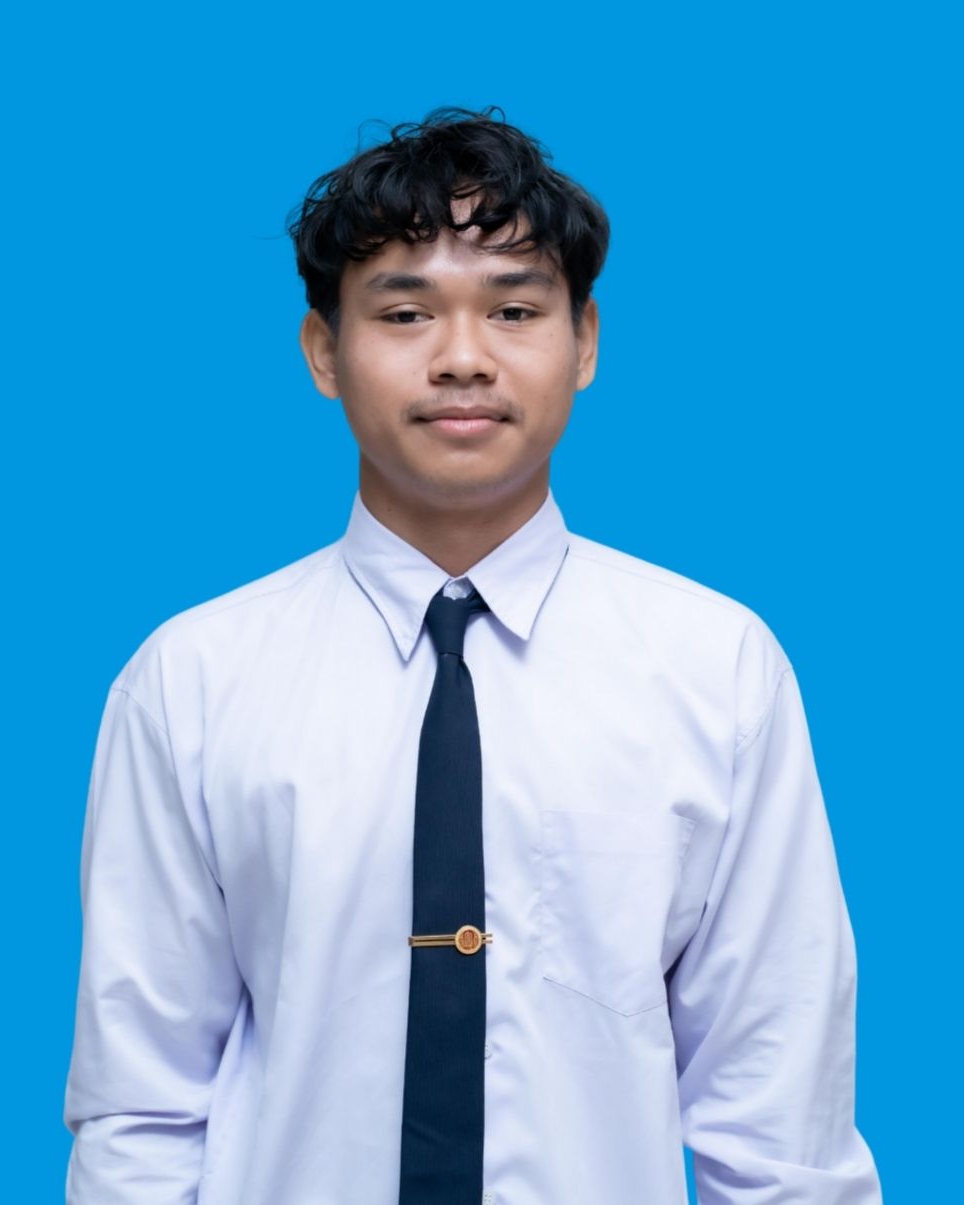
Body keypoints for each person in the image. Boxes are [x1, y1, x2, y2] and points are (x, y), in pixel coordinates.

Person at [62, 106, 883, 1204]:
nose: (461, 358)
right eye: (405, 312)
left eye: (513, 310)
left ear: (583, 342)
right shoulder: (191, 680)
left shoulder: (716, 667)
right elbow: (141, 1106)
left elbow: (780, 1116)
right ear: (324, 351)